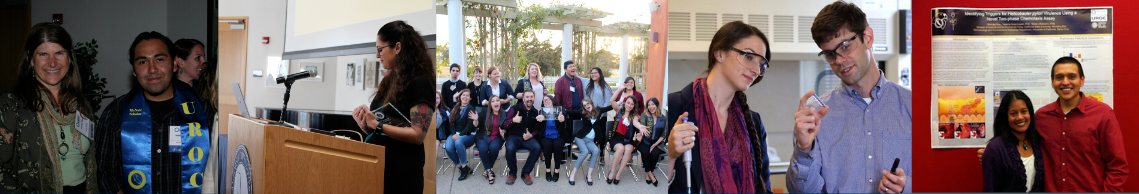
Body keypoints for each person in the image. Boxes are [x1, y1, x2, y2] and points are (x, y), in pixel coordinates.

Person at [787, 2, 914, 193]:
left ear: (868, 38)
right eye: (830, 54)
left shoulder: (913, 105)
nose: (839, 60)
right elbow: (802, 192)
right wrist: (804, 149)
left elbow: (939, 177)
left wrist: (908, 187)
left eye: (845, 47)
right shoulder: (814, 117)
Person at [977, 57, 1128, 192]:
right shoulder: (1041, 117)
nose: (1065, 82)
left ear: (1082, 80)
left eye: (1072, 76)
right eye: (1059, 77)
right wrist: (994, 153)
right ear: (1052, 82)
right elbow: (1022, 142)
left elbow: (1118, 167)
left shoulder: (1103, 115)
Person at [93, 31, 216, 193]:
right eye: (143, 62)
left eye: (159, 60)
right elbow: (106, 173)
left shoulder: (203, 110)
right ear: (134, 69)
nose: (152, 69)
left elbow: (217, 168)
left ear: (174, 64)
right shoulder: (115, 113)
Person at [667, 20, 772, 193]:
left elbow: (764, 188)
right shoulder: (674, 106)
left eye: (761, 64)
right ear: (720, 53)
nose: (756, 70)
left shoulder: (753, 121)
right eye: (748, 56)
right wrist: (670, 156)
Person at [0, 22, 98, 193]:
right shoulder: (11, 105)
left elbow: (92, 159)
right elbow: (2, 170)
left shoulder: (82, 105)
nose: (52, 63)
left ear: (69, 57)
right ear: (31, 59)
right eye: (43, 54)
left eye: (59, 53)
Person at [350, 20, 435, 193]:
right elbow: (385, 131)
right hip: (379, 165)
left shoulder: (420, 83)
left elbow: (418, 135)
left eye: (380, 49)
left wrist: (377, 125)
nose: (377, 55)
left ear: (397, 47)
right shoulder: (389, 81)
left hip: (402, 172)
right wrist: (366, 125)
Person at [981, 91, 1044, 192]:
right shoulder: (995, 148)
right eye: (1013, 113)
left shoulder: (1039, 142)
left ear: (1030, 113)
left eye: (1024, 111)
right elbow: (990, 188)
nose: (1020, 117)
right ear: (1005, 117)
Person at [564, 98, 612, 186]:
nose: (586, 106)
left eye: (588, 104)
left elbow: (610, 107)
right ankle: (573, 174)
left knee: (596, 151)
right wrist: (560, 110)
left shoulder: (598, 110)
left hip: (590, 140)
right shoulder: (582, 112)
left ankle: (589, 175)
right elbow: (569, 112)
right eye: (584, 105)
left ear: (591, 103)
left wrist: (622, 101)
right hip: (580, 138)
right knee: (585, 152)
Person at [501, 90, 541, 185]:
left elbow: (537, 129)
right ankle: (512, 173)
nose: (529, 99)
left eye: (531, 97)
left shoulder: (535, 112)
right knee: (510, 148)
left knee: (537, 148)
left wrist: (531, 135)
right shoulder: (514, 109)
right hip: (514, 136)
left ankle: (525, 173)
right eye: (527, 97)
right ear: (523, 99)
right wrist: (513, 120)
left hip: (527, 137)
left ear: (534, 98)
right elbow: (504, 125)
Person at [607, 96, 645, 185]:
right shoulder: (619, 110)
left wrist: (640, 127)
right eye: (628, 102)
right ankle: (612, 171)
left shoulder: (635, 116)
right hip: (616, 138)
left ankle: (619, 173)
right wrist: (620, 89)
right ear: (625, 102)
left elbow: (635, 122)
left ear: (634, 106)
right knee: (621, 149)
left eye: (632, 104)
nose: (629, 105)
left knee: (627, 150)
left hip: (628, 139)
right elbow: (612, 100)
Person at [444, 89, 476, 180]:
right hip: (456, 133)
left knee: (458, 142)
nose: (465, 97)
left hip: (468, 134)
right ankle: (461, 167)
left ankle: (464, 166)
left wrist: (460, 135)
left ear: (470, 98)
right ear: (460, 96)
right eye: (463, 95)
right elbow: (451, 123)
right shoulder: (456, 107)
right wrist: (453, 134)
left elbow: (470, 125)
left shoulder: (470, 108)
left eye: (467, 95)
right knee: (448, 147)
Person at [475, 95, 508, 184]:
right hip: (483, 135)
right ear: (490, 104)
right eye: (493, 101)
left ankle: (487, 170)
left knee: (494, 148)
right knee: (483, 148)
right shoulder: (484, 111)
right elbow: (476, 125)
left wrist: (503, 131)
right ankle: (490, 171)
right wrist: (475, 120)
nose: (495, 102)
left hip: (496, 136)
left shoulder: (504, 114)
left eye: (497, 100)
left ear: (500, 102)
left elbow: (507, 127)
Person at [537, 95, 568, 182]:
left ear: (552, 100)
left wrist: (562, 119)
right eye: (544, 101)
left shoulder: (560, 110)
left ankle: (556, 170)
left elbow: (565, 115)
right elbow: (539, 126)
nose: (546, 101)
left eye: (547, 99)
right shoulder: (542, 111)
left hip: (558, 135)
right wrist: (540, 121)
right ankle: (548, 170)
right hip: (546, 135)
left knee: (558, 145)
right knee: (547, 145)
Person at [638, 97, 666, 186]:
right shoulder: (644, 115)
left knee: (654, 154)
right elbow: (642, 126)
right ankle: (650, 174)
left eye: (653, 104)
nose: (651, 107)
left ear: (657, 105)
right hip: (645, 141)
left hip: (657, 142)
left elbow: (663, 134)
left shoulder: (663, 118)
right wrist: (641, 133)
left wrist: (655, 144)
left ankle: (648, 173)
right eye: (649, 105)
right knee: (645, 153)